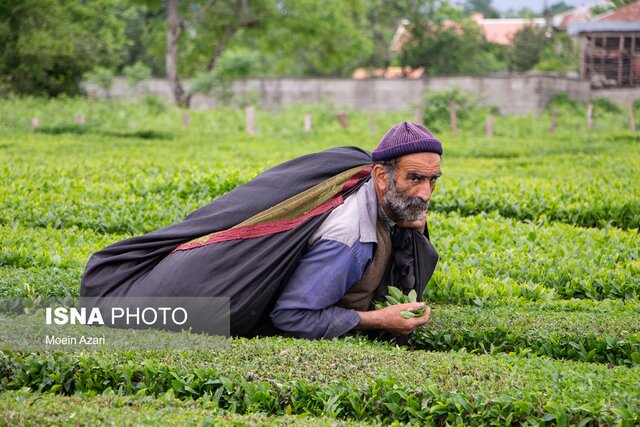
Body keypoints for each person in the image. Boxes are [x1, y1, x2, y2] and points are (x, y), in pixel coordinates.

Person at [81, 122, 442, 339]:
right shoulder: (348, 240)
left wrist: (406, 221)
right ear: (380, 175)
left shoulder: (368, 182)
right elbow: (292, 316)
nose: (425, 193)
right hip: (204, 293)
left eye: (432, 180)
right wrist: (376, 321)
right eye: (414, 178)